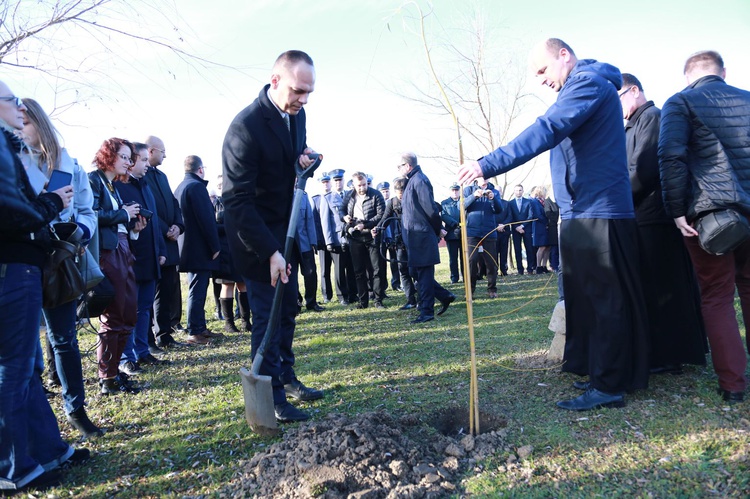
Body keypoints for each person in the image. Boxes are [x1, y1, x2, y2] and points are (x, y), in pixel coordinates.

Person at [458, 38, 649, 411]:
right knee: (587, 298)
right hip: (583, 210)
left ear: (565, 55)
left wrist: (488, 164)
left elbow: (547, 129)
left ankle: (609, 385)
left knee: (604, 298)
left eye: (542, 69)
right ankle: (601, 370)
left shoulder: (588, 83)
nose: (540, 79)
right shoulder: (581, 87)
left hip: (599, 211)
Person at [222, 50, 324, 423]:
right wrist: (269, 253)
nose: (304, 99)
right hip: (255, 240)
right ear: (276, 80)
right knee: (267, 316)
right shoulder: (245, 127)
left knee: (288, 312)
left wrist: (305, 163)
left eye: (309, 92)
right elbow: (237, 202)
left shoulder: (298, 116)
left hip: (286, 232)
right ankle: (273, 400)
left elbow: (291, 165)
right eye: (298, 90)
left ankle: (287, 377)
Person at [0, 83, 89, 493]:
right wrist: (52, 203)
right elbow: (15, 213)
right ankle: (12, 467)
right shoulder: (4, 149)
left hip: (27, 266)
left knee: (26, 366)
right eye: (11, 101)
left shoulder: (15, 149)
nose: (19, 108)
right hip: (12, 267)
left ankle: (48, 450)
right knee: (13, 370)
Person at [658, 51, 750, 404]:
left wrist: (676, 210)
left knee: (716, 297)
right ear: (723, 72)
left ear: (688, 76)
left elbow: (671, 156)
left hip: (710, 218)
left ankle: (733, 385)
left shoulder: (681, 102)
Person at [19, 98, 103, 438]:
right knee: (25, 346)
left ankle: (75, 408)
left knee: (64, 338)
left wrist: (80, 232)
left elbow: (87, 209)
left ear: (38, 123)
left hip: (60, 261)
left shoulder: (68, 164)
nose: (17, 129)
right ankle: (33, 415)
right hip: (20, 261)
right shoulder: (8, 161)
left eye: (24, 123)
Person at [619, 73, 707, 376]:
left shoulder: (652, 118)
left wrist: (615, 200)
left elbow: (642, 171)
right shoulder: (630, 125)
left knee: (665, 287)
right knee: (651, 287)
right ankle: (659, 351)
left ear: (634, 91)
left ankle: (672, 355)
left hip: (655, 217)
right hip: (639, 216)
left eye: (618, 98)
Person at [89, 138, 147, 395]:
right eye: (124, 157)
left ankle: (113, 372)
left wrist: (132, 227)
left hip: (121, 249)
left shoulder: (111, 185)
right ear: (109, 156)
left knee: (128, 313)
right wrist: (123, 214)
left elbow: (113, 221)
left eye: (129, 158)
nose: (129, 162)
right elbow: (91, 214)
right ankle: (107, 377)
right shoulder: (94, 180)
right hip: (107, 254)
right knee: (114, 314)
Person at [114, 142, 169, 375]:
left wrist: (161, 250)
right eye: (144, 160)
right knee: (128, 309)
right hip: (129, 258)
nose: (147, 164)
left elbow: (154, 221)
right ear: (132, 161)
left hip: (150, 257)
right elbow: (117, 220)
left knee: (145, 307)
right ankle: (126, 357)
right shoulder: (118, 186)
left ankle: (142, 351)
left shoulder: (145, 186)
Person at [399, 153, 456, 323]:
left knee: (423, 274)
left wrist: (438, 229)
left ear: (408, 166)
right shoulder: (412, 181)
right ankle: (444, 295)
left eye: (400, 165)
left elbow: (431, 210)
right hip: (414, 237)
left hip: (422, 237)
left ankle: (426, 311)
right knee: (415, 272)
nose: (399, 169)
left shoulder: (420, 180)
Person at [173, 155, 222, 345]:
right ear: (200, 169)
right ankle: (195, 331)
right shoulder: (197, 187)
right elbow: (206, 219)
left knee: (197, 287)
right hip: (199, 248)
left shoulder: (180, 187)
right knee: (197, 289)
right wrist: (215, 246)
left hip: (185, 247)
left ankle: (200, 326)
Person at [143, 135, 186, 350]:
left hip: (169, 243)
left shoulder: (162, 176)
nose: (165, 155)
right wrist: (164, 229)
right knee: (150, 293)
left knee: (167, 290)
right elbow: (147, 208)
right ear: (150, 151)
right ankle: (148, 339)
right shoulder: (141, 178)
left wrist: (178, 226)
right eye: (162, 151)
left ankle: (165, 334)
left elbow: (173, 204)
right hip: (154, 242)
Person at [212, 173, 251, 333]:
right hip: (224, 251)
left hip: (241, 249)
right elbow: (212, 226)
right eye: (219, 185)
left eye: (224, 184)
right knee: (227, 285)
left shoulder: (239, 201)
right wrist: (229, 227)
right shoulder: (215, 203)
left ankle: (245, 321)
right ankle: (229, 323)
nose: (222, 187)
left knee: (243, 285)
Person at [344, 171, 386, 309]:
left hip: (372, 236)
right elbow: (341, 211)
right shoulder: (349, 196)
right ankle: (363, 302)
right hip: (355, 237)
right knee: (359, 271)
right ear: (354, 185)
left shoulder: (376, 195)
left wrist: (366, 224)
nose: (362, 188)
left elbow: (381, 215)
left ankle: (378, 300)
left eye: (364, 184)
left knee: (376, 269)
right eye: (359, 185)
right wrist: (345, 217)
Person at [375, 177, 416, 309]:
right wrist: (378, 228)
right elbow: (385, 218)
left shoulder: (414, 200)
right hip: (400, 242)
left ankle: (422, 298)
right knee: (403, 270)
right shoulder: (392, 202)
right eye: (398, 192)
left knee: (415, 271)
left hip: (414, 240)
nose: (400, 194)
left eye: (402, 191)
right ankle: (411, 300)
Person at [320, 168, 358, 305]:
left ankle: (354, 294)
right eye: (335, 180)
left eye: (340, 180)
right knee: (339, 269)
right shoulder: (328, 198)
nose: (338, 183)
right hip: (337, 239)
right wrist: (329, 241)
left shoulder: (350, 195)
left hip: (352, 237)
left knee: (352, 267)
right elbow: (325, 222)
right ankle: (342, 296)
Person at [463, 178, 502, 298]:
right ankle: (470, 291)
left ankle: (492, 289)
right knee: (471, 260)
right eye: (482, 177)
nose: (484, 179)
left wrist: (493, 198)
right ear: (476, 178)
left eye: (486, 177)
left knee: (491, 262)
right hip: (472, 232)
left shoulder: (494, 191)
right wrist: (474, 196)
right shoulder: (468, 190)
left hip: (489, 231)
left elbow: (499, 209)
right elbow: (462, 206)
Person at [297, 187, 325, 311]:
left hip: (304, 243)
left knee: (311, 273)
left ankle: (311, 302)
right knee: (290, 277)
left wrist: (313, 241)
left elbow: (309, 219)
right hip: (288, 245)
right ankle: (295, 303)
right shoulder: (282, 194)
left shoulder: (303, 196)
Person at [311, 173, 333, 303]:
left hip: (334, 241)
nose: (326, 184)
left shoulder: (334, 197)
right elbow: (314, 221)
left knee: (339, 269)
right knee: (325, 271)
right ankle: (326, 295)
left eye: (327, 182)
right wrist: (318, 240)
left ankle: (342, 294)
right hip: (322, 241)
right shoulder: (315, 199)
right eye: (323, 182)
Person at [378, 181, 401, 291]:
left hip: (393, 237)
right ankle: (383, 286)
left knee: (394, 261)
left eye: (386, 191)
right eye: (383, 191)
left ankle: (396, 283)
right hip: (382, 238)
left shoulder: (394, 203)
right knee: (381, 263)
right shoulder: (379, 205)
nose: (385, 194)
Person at [441, 183, 465, 283]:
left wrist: (462, 224)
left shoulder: (464, 201)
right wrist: (455, 224)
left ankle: (465, 276)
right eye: (453, 190)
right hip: (451, 234)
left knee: (464, 257)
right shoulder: (445, 203)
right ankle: (454, 277)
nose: (455, 192)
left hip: (463, 233)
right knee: (453, 258)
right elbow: (444, 216)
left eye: (456, 190)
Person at [508, 185, 536, 274]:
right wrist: (517, 227)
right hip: (515, 230)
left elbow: (530, 216)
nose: (518, 192)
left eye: (520, 190)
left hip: (526, 229)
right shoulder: (510, 203)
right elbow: (510, 216)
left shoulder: (528, 202)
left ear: (523, 191)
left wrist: (522, 226)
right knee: (517, 249)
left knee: (529, 249)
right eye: (516, 190)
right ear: (514, 191)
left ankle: (530, 268)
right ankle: (520, 269)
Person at [529, 186, 551, 274]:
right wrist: (546, 222)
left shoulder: (544, 201)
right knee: (542, 246)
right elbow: (537, 214)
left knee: (548, 246)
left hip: (547, 226)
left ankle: (544, 265)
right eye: (545, 191)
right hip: (539, 226)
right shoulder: (534, 201)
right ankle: (538, 266)